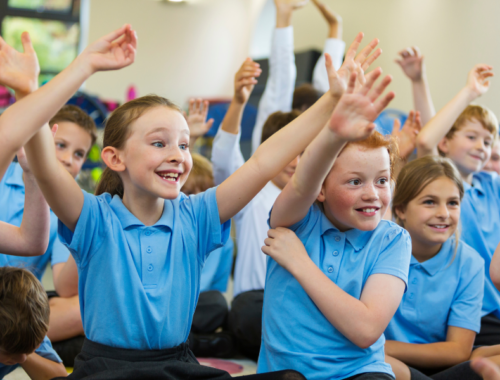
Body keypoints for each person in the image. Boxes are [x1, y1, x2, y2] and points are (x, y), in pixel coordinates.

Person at [11, 22, 351, 379]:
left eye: (184, 145)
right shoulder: (94, 218)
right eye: (160, 143)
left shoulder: (196, 215)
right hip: (106, 369)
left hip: (177, 366)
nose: (178, 155)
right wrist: (31, 90)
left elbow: (264, 161)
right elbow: (47, 168)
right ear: (114, 158)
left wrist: (331, 100)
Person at [213, 34, 382, 359]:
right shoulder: (253, 195)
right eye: (288, 153)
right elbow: (224, 159)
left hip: (305, 304)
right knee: (244, 310)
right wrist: (237, 103)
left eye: (304, 153)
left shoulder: (324, 205)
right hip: (256, 303)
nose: (294, 161)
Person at [258, 67, 410, 380]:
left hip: (360, 371)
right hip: (290, 373)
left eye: (382, 180)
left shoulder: (393, 239)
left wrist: (301, 263)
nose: (372, 194)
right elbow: (301, 185)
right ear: (321, 190)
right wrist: (333, 133)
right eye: (355, 182)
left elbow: (366, 329)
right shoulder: (297, 220)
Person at [0, 33, 98, 366]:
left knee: (89, 305)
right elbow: (8, 137)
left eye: (80, 153)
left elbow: (43, 254)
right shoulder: (9, 168)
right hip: (14, 303)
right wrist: (27, 90)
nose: (69, 159)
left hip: (19, 300)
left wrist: (88, 225)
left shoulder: (69, 202)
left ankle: (18, 341)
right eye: (59, 144)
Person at [416, 64, 500, 346]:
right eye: (472, 137)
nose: (481, 146)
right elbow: (425, 139)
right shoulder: (446, 188)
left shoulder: (492, 184)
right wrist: (470, 93)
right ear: (446, 143)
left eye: (488, 141)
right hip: (475, 309)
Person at [385, 155, 484, 380]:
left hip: (435, 368)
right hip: (377, 363)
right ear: (400, 209)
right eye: (429, 202)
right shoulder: (378, 252)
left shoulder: (470, 263)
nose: (444, 213)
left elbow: (458, 351)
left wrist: (386, 348)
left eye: (453, 203)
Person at [181, 153, 235, 358]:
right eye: (187, 192)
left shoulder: (225, 242)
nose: (196, 198)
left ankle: (187, 342)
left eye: (203, 192)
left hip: (198, 307)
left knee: (217, 304)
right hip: (166, 304)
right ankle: (197, 344)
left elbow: (216, 292)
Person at [0, 267, 67, 380]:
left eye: (31, 349)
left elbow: (59, 377)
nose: (22, 359)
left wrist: (23, 350)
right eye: (9, 352)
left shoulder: (28, 330)